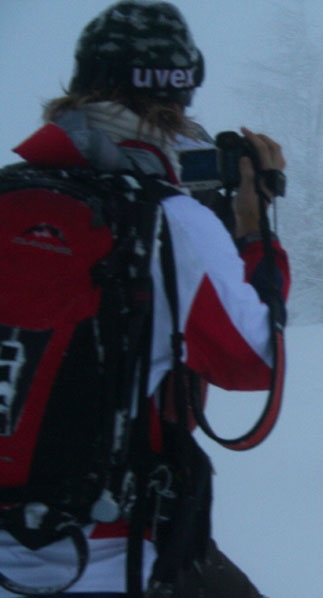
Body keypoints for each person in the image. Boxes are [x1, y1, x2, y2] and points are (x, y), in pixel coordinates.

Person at [0, 2, 288, 596]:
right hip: (105, 555)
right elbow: (253, 361)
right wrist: (255, 228)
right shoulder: (168, 222)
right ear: (181, 95)